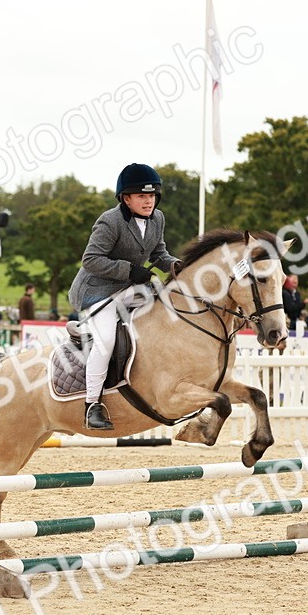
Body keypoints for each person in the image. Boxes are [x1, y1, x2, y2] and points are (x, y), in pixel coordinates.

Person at [67, 163, 179, 431]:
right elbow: (91, 260)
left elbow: (159, 254)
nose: (148, 201)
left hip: (129, 289)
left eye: (151, 196)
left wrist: (178, 265)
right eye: (141, 196)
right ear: (126, 198)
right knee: (105, 341)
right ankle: (92, 405)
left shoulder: (158, 219)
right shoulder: (110, 221)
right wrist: (129, 270)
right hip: (97, 291)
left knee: (167, 311)